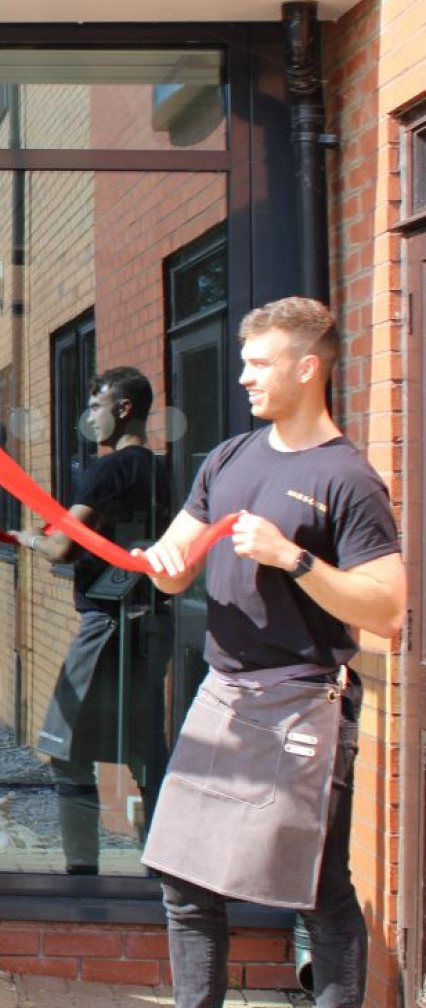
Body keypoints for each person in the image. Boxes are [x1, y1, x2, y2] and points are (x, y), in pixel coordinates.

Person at [136, 297, 404, 1008]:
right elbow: (177, 567)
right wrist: (163, 565)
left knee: (317, 887)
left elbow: (387, 608)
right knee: (185, 881)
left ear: (308, 367)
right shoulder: (230, 457)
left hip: (301, 703)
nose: (244, 378)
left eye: (259, 364)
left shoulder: (348, 479)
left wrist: (294, 559)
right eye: (244, 363)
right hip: (222, 693)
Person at [14, 366, 169, 874]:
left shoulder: (108, 471)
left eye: (96, 407)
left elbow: (62, 546)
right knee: (145, 752)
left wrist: (28, 540)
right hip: (153, 626)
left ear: (124, 409)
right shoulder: (164, 472)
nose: (89, 418)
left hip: (107, 625)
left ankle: (81, 870)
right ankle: (161, 871)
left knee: (66, 748)